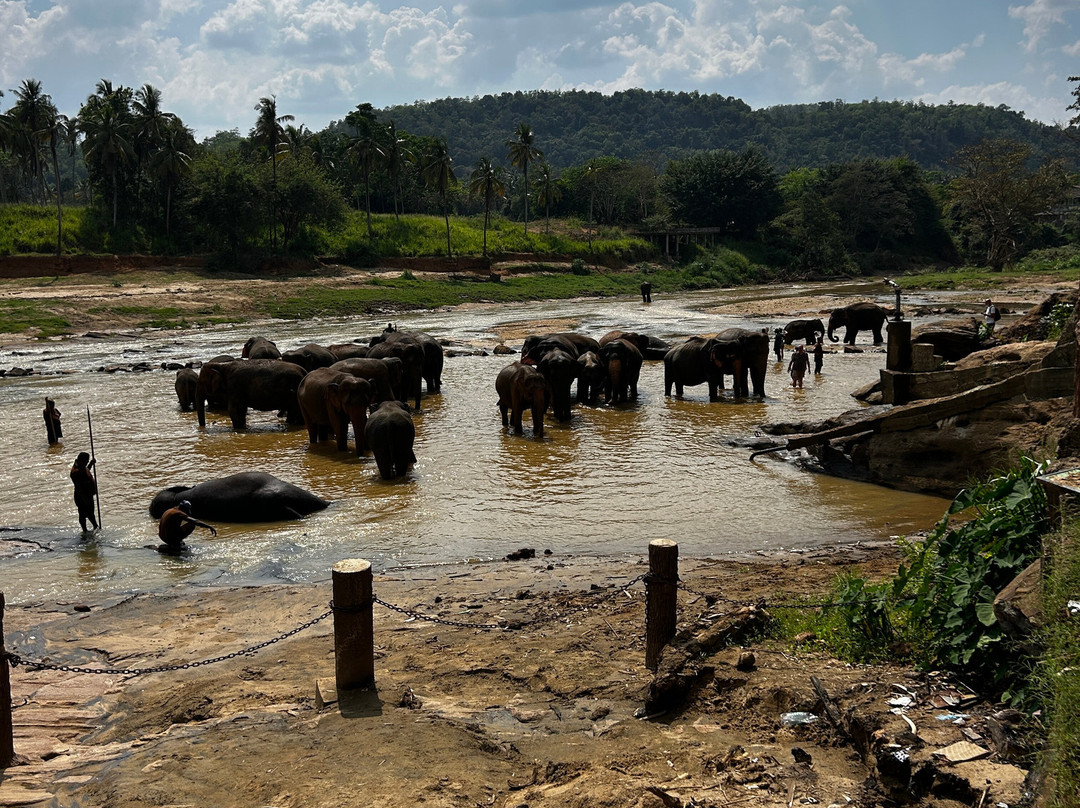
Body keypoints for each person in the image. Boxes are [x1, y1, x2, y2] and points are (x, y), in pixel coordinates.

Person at [69, 452, 98, 532]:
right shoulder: (76, 471)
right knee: (84, 513)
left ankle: (95, 527)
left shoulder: (82, 466)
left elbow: (86, 471)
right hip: (82, 496)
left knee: (90, 513)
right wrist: (85, 499)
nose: (87, 463)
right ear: (81, 460)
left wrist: (91, 464)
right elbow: (79, 488)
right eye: (86, 461)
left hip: (88, 494)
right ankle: (85, 530)